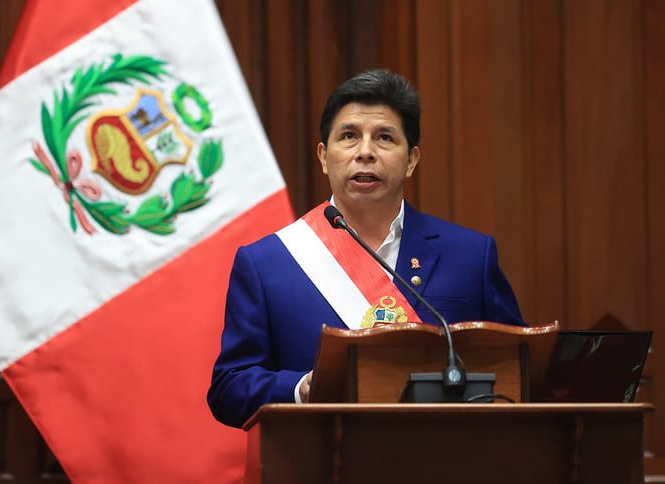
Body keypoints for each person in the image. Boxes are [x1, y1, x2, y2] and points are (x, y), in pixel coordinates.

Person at [207, 69, 525, 428]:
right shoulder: (268, 263)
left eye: (385, 138)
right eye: (349, 136)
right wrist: (301, 388)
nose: (365, 152)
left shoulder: (470, 254)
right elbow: (228, 388)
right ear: (324, 156)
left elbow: (519, 367)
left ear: (412, 160)